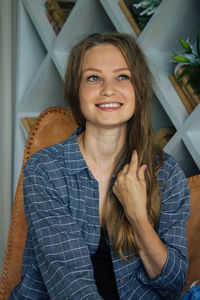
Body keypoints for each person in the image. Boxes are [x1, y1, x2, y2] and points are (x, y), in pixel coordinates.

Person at [9, 32, 190, 300]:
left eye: (122, 77)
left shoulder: (166, 172)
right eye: (93, 77)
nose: (108, 89)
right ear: (76, 89)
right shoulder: (45, 170)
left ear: (138, 89)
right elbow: (70, 284)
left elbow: (172, 283)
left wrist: (137, 216)